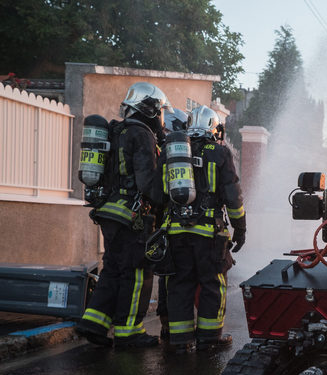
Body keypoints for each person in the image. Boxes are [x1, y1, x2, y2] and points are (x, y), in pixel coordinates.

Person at [75, 81, 172, 348]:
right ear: (150, 108)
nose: (161, 117)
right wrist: (164, 199)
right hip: (133, 216)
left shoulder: (116, 130)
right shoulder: (141, 134)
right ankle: (129, 332)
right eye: (160, 111)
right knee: (137, 272)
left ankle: (94, 323)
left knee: (113, 269)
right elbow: (146, 182)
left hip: (109, 212)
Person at [160, 105, 246, 352]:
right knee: (212, 283)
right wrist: (240, 228)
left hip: (175, 231)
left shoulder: (172, 151)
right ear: (214, 128)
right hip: (209, 233)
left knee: (179, 284)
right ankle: (209, 337)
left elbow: (157, 192)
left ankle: (179, 340)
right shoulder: (220, 153)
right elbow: (233, 195)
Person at [155, 108, 190, 343]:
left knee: (167, 277)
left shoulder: (162, 153)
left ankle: (167, 327)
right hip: (182, 226)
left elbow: (157, 191)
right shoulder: (180, 153)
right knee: (180, 278)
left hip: (165, 225)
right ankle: (180, 330)